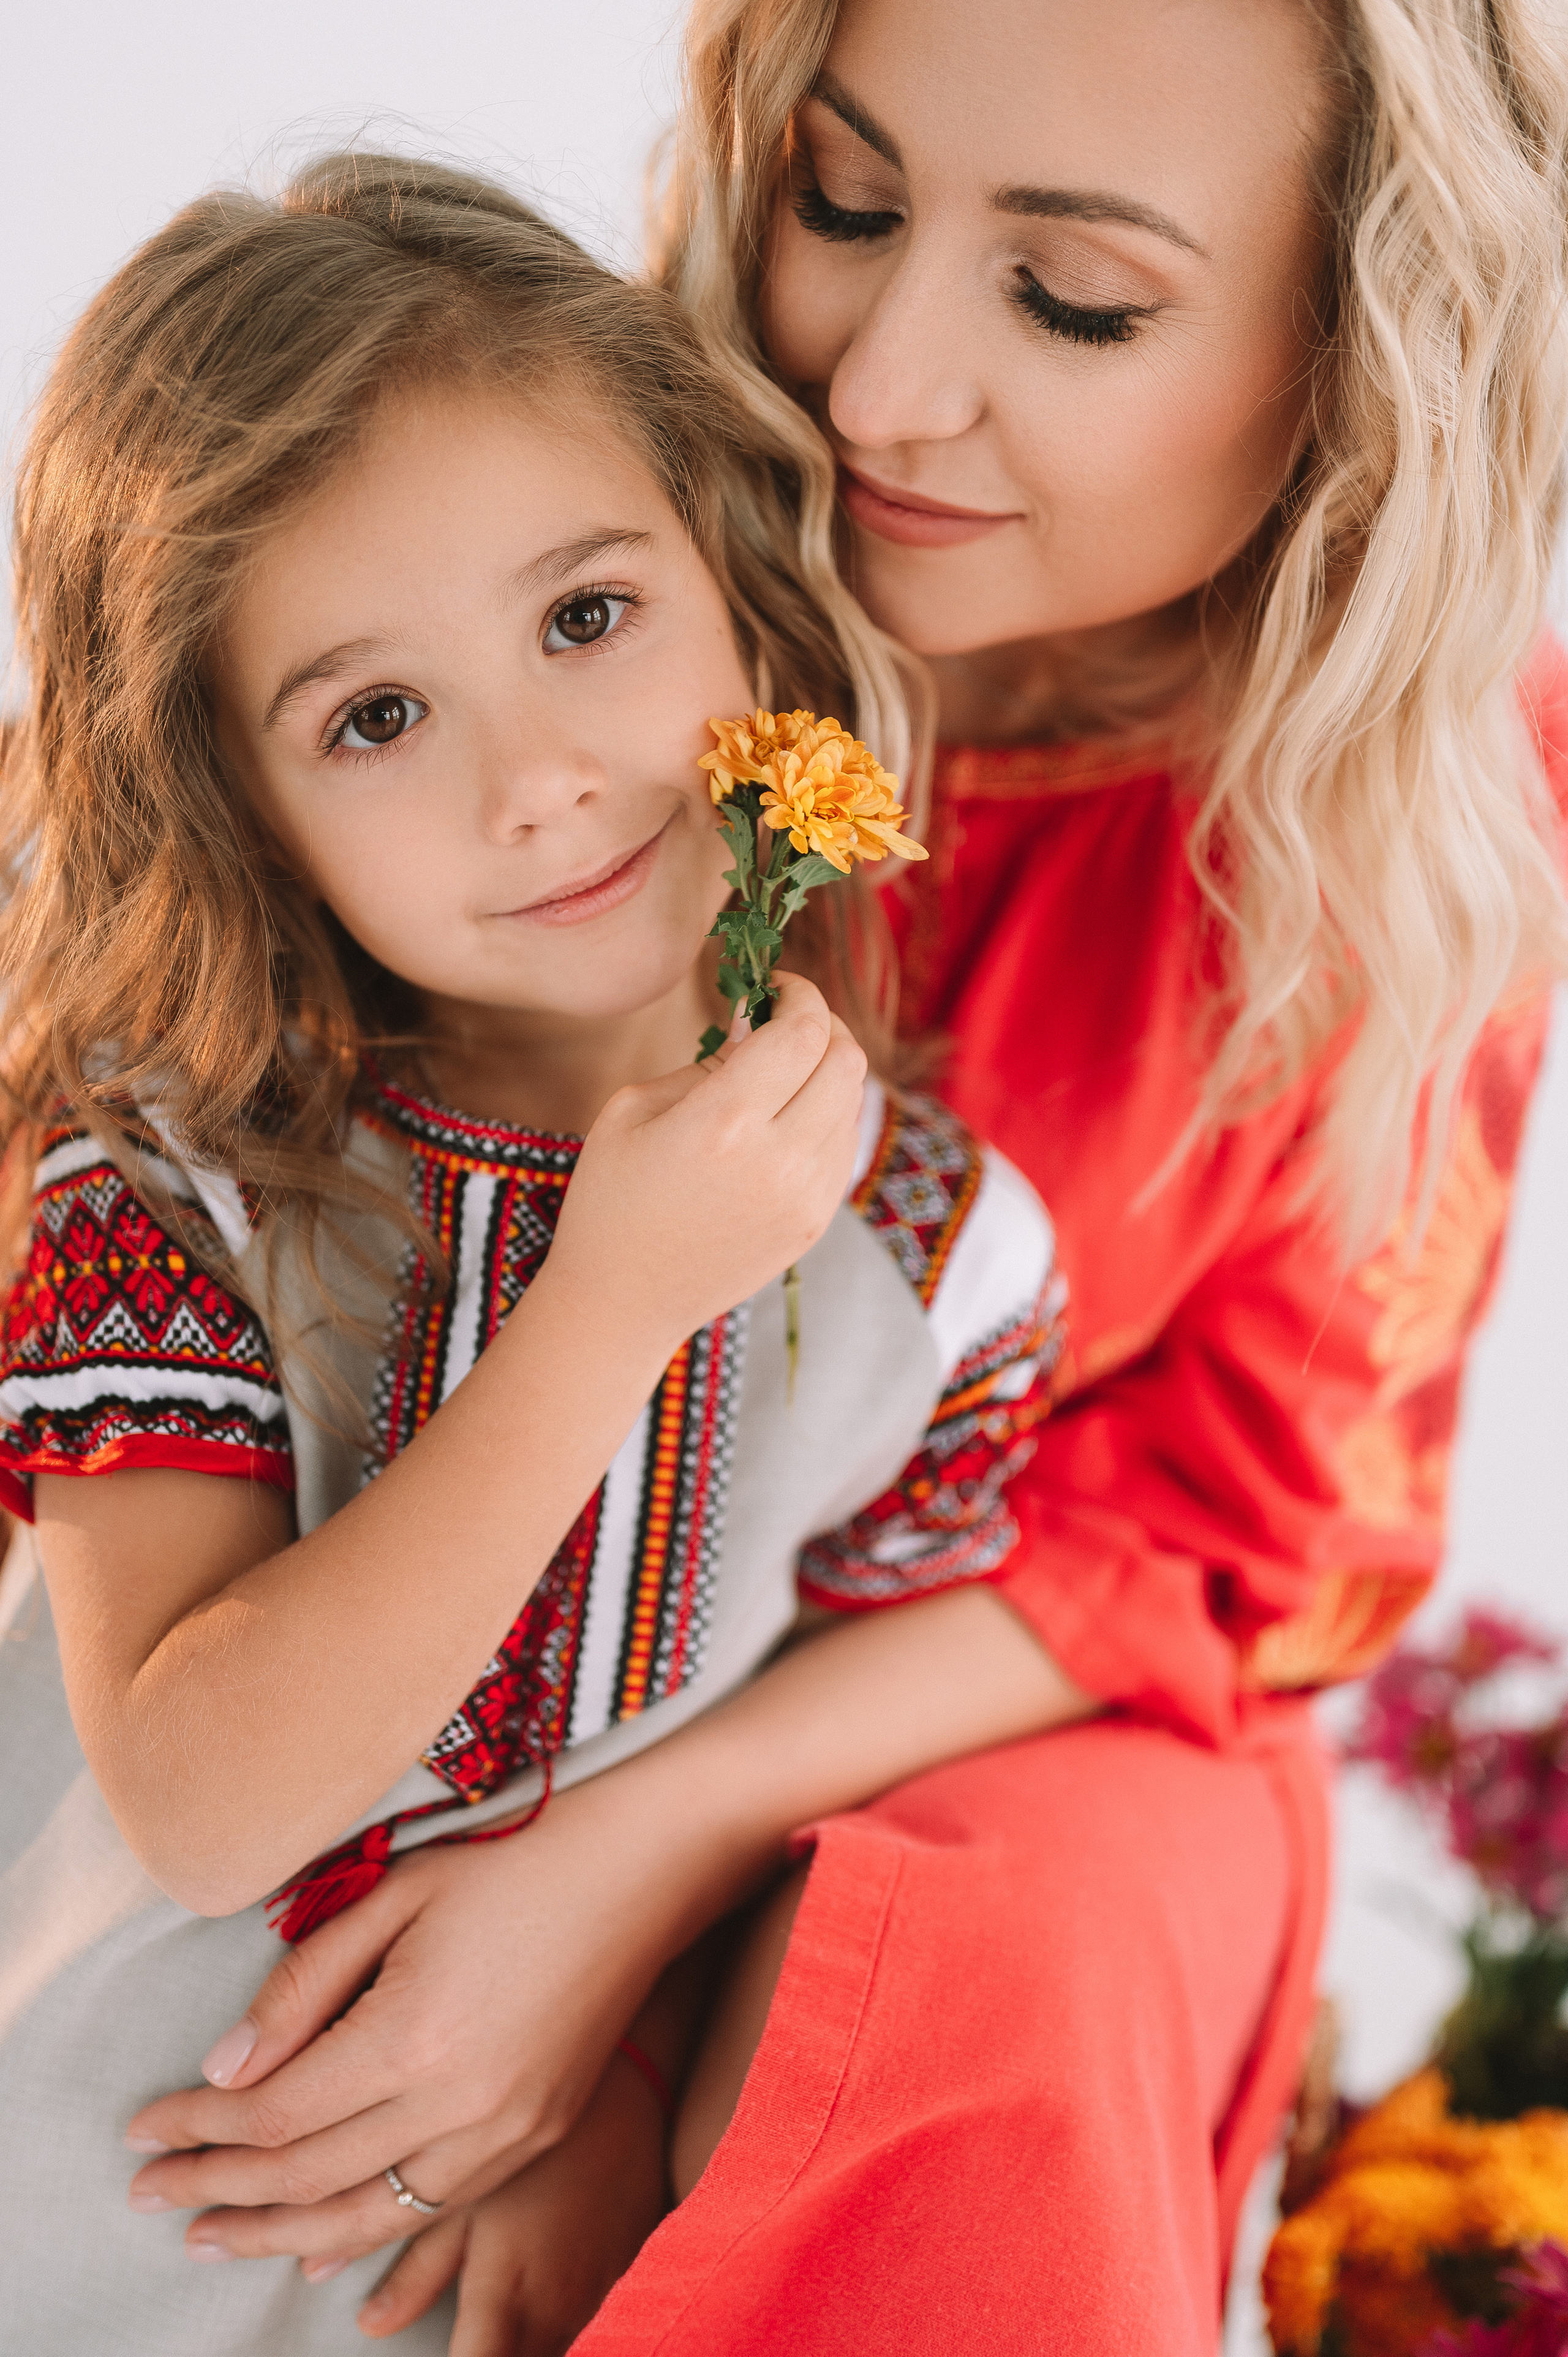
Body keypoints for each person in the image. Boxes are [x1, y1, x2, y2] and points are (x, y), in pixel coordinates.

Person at [64, 2, 1568, 2351]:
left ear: (1366, 354)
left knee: (968, 2007)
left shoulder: (1429, 822)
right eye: (845, 204)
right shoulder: (555, 579)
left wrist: (627, 1882)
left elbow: (1224, 1534)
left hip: (1028, 1697)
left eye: (1075, 298)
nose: (874, 393)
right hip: (380, 1727)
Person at [0, 153, 1082, 2356]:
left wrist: (629, 2031)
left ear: (739, 589)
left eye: (587, 619)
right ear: (243, 813)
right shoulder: (171, 1192)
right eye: (375, 718)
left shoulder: (941, 1256)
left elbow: (849, 1746)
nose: (543, 780)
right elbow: (204, 1807)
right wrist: (613, 1304)